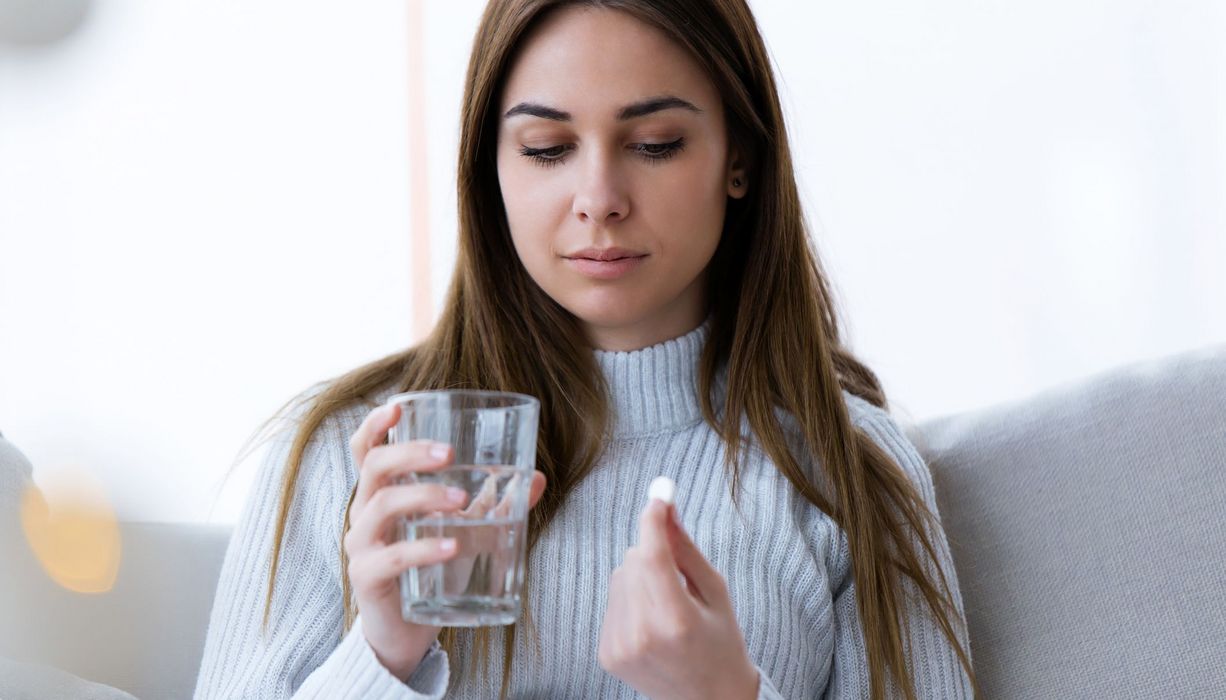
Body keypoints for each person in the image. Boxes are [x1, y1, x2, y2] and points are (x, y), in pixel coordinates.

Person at [194, 1, 979, 698]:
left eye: (656, 143)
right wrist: (382, 657)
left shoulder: (848, 471)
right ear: (489, 170)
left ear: (740, 158)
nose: (599, 199)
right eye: (546, 148)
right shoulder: (352, 455)